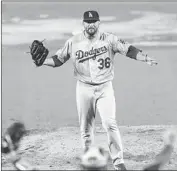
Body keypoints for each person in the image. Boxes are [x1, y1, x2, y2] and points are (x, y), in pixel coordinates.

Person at [37, 10, 158, 170]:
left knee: (110, 123)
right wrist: (42, 62)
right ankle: (89, 159)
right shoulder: (73, 42)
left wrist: (144, 57)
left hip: (105, 87)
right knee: (86, 129)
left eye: (94, 21)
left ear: (99, 23)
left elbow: (128, 49)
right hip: (83, 88)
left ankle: (118, 161)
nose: (91, 24)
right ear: (83, 24)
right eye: (88, 22)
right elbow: (59, 60)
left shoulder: (109, 39)